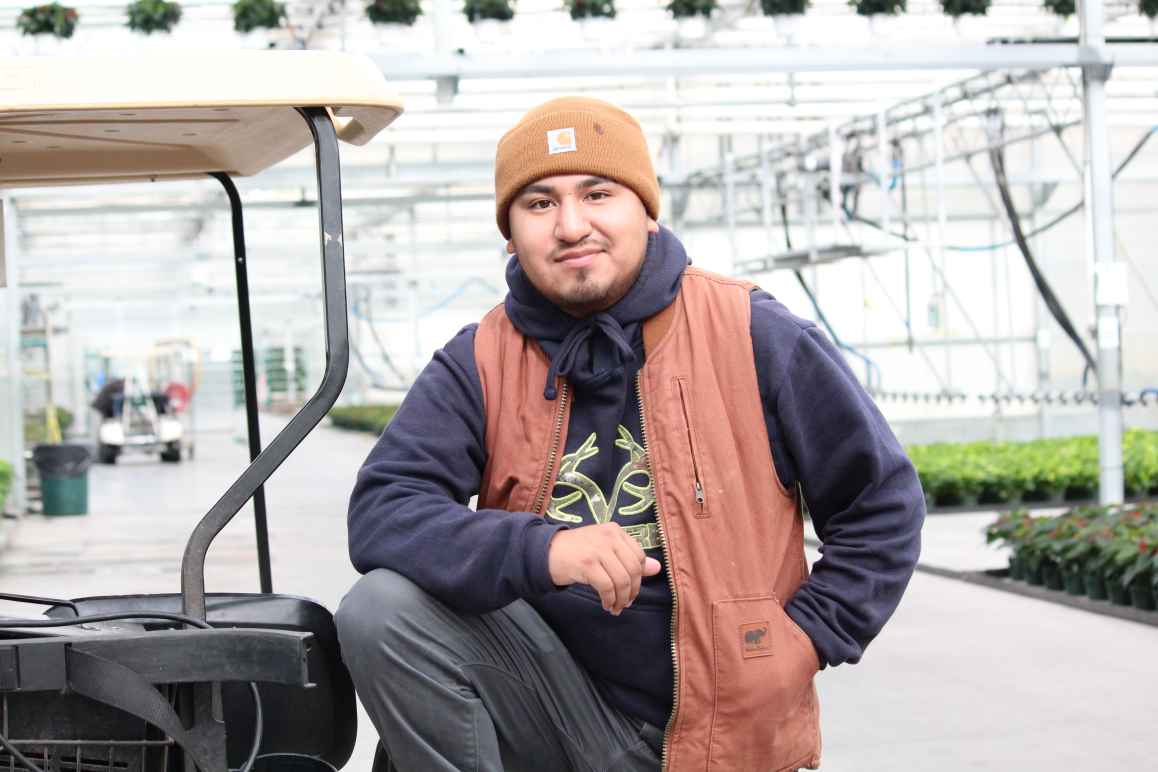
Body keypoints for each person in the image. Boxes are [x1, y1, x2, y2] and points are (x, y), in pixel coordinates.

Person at [336, 97, 925, 772]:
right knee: (380, 610)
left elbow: (881, 502)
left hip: (719, 730)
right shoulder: (480, 360)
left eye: (598, 194)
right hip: (549, 706)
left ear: (646, 209)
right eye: (538, 204)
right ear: (509, 234)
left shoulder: (752, 332)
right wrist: (544, 548)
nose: (572, 225)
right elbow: (384, 511)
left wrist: (806, 639)